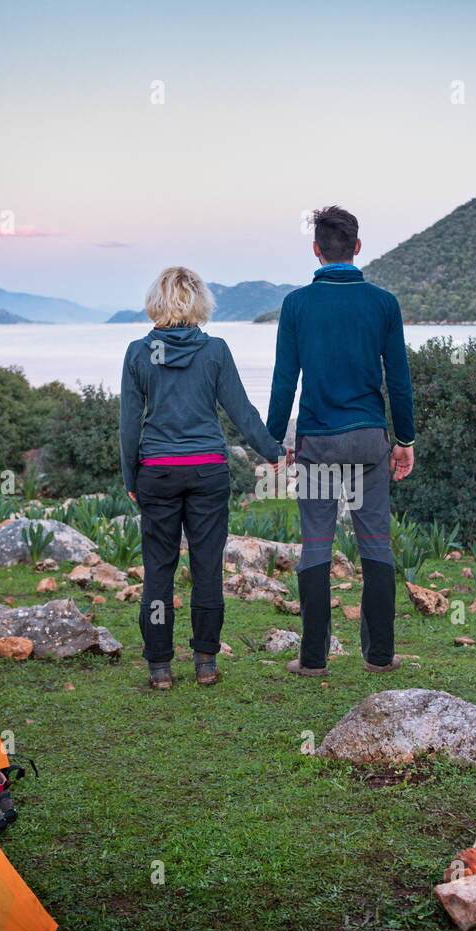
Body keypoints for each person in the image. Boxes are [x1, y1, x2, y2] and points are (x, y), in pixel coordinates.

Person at [119, 266, 287, 689]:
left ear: (156, 301)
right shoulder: (214, 351)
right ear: (200, 303)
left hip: (156, 472)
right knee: (207, 567)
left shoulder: (139, 352)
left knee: (158, 570)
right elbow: (241, 409)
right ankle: (206, 662)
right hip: (208, 470)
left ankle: (159, 667)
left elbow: (128, 425)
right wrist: (272, 451)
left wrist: (130, 477)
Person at [266, 205, 415, 676]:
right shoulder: (383, 303)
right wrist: (405, 439)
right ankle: (379, 656)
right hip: (370, 441)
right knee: (375, 545)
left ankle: (313, 659)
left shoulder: (296, 305)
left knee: (316, 548)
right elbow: (400, 381)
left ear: (316, 250)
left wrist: (274, 441)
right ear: (356, 247)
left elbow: (284, 380)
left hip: (319, 445)